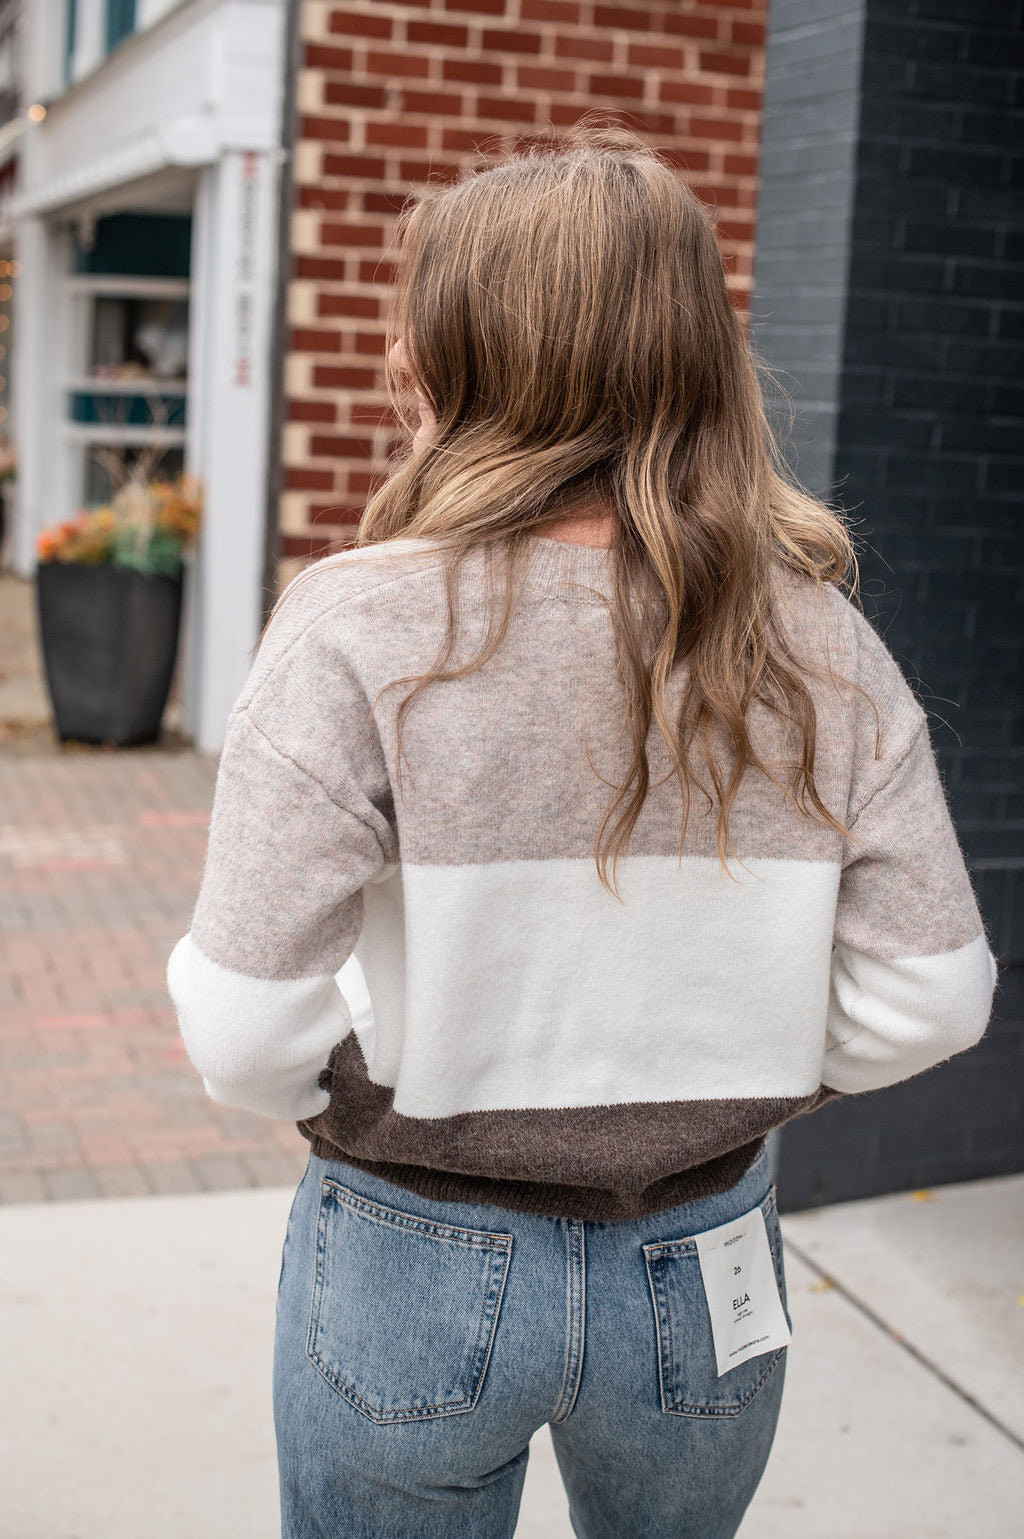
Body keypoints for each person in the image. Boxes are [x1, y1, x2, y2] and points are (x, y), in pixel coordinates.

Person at [166, 137, 998, 1539]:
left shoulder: (358, 623)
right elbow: (935, 999)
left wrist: (374, 1082)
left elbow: (244, 1035)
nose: (392, 353)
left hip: (413, 1246)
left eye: (419, 320)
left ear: (486, 353)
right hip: (703, 1254)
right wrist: (731, 1073)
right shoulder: (817, 638)